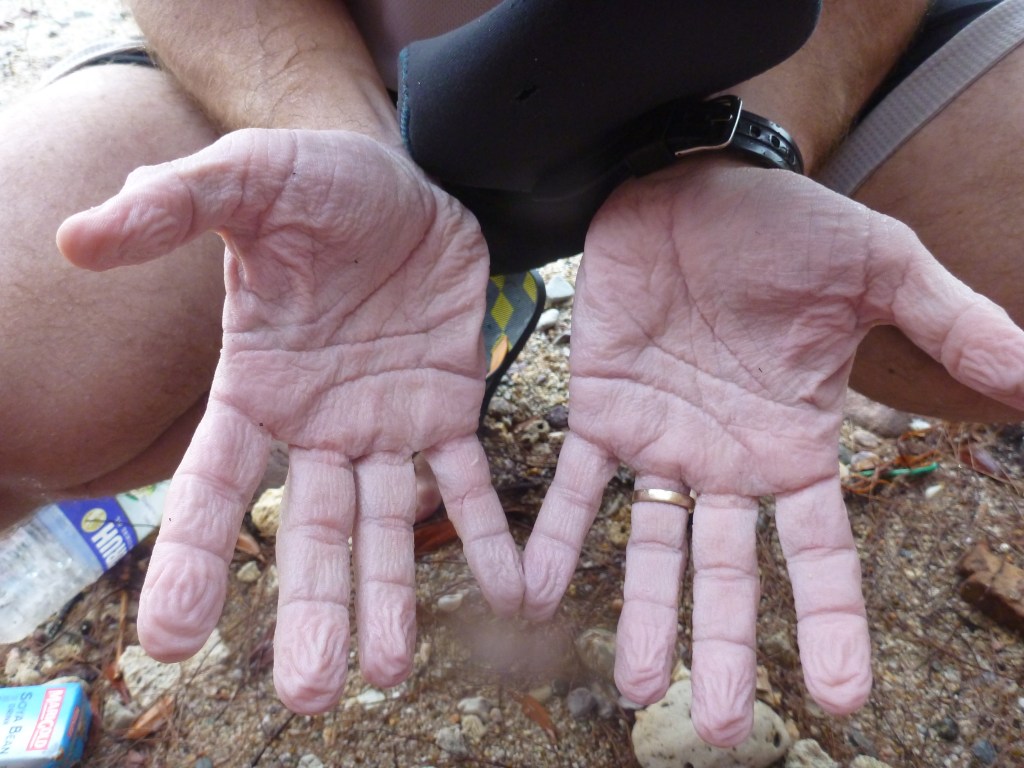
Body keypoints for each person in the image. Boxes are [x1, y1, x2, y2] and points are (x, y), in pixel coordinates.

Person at [2, 0, 1023, 750]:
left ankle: (506, 270)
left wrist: (748, 149)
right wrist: (327, 128)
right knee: (24, 375)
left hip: (763, 59)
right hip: (344, 61)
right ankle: (451, 276)